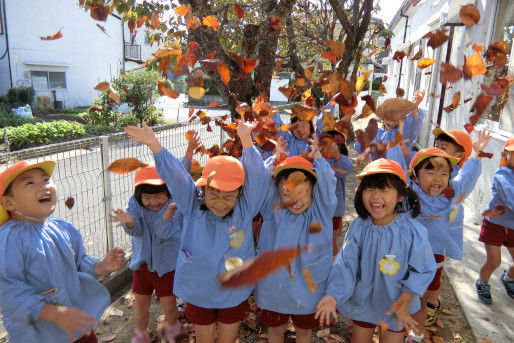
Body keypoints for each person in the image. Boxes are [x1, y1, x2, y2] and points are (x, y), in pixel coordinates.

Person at [124, 119, 268, 343]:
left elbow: (258, 177)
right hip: (200, 289)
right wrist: (155, 145)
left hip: (233, 290)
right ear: (202, 189)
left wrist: (246, 139)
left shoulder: (245, 209)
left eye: (228, 195)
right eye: (214, 194)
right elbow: (176, 176)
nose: (220, 202)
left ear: (240, 193)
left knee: (228, 338)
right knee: (204, 337)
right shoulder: (192, 205)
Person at [0, 161, 125, 343]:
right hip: (38, 335)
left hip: (76, 324)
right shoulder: (8, 239)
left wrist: (101, 266)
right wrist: (51, 312)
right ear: (8, 202)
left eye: (46, 179)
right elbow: (7, 290)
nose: (44, 186)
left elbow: (79, 262)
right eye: (30, 183)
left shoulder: (62, 228)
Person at [315, 159, 436, 343]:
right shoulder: (358, 227)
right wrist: (333, 295)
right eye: (369, 188)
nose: (375, 196)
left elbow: (424, 268)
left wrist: (405, 300)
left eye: (384, 189)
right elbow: (346, 265)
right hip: (364, 302)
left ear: (401, 196)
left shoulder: (412, 231)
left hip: (396, 305)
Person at [386, 130, 490, 337]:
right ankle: (395, 327)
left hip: (433, 256)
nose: (438, 178)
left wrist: (476, 155)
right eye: (430, 172)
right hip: (405, 254)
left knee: (423, 299)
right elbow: (396, 167)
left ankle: (416, 334)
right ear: (414, 174)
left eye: (444, 173)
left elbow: (467, 178)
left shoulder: (451, 195)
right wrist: (397, 139)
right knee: (400, 293)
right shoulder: (408, 192)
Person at [255, 135, 337, 343]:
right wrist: (272, 160)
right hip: (275, 287)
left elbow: (328, 182)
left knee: (304, 331)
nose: (295, 201)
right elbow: (260, 182)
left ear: (313, 191)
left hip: (309, 287)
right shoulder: (273, 208)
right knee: (275, 330)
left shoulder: (321, 211)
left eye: (303, 193)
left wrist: (317, 156)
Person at [111, 154, 195, 343]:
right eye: (147, 197)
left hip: (166, 266)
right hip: (142, 265)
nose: (154, 201)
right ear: (138, 195)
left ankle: (172, 331)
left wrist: (188, 154)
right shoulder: (134, 204)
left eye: (159, 196)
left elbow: (178, 173)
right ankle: (140, 334)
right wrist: (130, 222)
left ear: (168, 191)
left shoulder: (174, 206)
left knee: (169, 306)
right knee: (141, 305)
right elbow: (137, 230)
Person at [475, 137, 514, 304]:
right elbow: (510, 197)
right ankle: (482, 282)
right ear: (505, 154)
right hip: (495, 226)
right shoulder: (502, 174)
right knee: (494, 261)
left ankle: (508, 278)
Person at [356, 90, 426, 163]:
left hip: (398, 172)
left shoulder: (402, 132)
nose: (390, 121)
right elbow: (360, 146)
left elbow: (412, 123)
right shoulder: (377, 133)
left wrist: (415, 105)